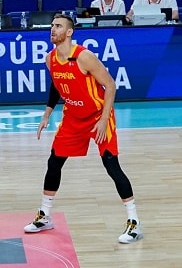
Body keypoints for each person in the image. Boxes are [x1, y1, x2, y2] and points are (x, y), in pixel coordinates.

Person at [25, 14, 142, 244]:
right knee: (54, 162)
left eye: (58, 26)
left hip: (99, 115)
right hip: (73, 117)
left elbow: (110, 85)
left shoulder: (84, 57)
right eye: (52, 26)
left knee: (111, 165)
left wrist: (104, 118)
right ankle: (45, 215)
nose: (52, 29)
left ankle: (134, 222)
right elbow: (56, 85)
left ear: (69, 32)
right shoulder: (50, 59)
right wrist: (47, 112)